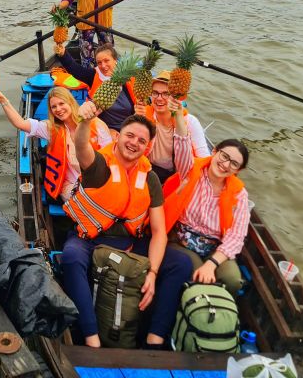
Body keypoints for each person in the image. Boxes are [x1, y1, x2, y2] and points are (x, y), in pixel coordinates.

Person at [61, 105, 192, 349]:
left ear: (147, 147)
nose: (134, 143)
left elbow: (160, 232)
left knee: (181, 264)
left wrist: (152, 273)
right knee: (70, 258)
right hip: (90, 240)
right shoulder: (100, 165)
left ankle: (155, 338)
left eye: (141, 140)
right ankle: (91, 338)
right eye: (130, 135)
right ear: (118, 136)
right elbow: (81, 147)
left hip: (129, 244)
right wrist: (85, 121)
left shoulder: (150, 178)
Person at [0, 85, 112, 201]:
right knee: (89, 201)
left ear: (70, 102)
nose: (58, 109)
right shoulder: (51, 128)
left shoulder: (96, 124)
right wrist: (4, 101)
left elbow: (111, 157)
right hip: (71, 184)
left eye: (61, 103)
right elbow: (20, 123)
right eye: (54, 107)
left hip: (98, 179)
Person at [162, 137, 250, 296]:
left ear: (238, 170)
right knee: (199, 280)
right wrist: (179, 117)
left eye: (234, 164)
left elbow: (236, 236)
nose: (226, 165)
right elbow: (182, 147)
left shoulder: (239, 194)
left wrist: (212, 263)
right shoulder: (190, 171)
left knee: (233, 280)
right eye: (224, 156)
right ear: (214, 151)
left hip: (215, 247)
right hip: (182, 241)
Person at [55, 43, 143, 133]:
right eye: (99, 63)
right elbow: (76, 70)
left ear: (115, 60)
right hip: (104, 128)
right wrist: (63, 54)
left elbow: (143, 100)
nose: (103, 66)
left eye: (106, 61)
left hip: (130, 125)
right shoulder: (94, 75)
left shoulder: (128, 77)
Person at [142, 71, 210, 182]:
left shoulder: (190, 122)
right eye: (155, 93)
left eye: (166, 94)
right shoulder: (144, 115)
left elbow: (204, 158)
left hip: (177, 175)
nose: (159, 98)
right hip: (148, 169)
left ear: (175, 97)